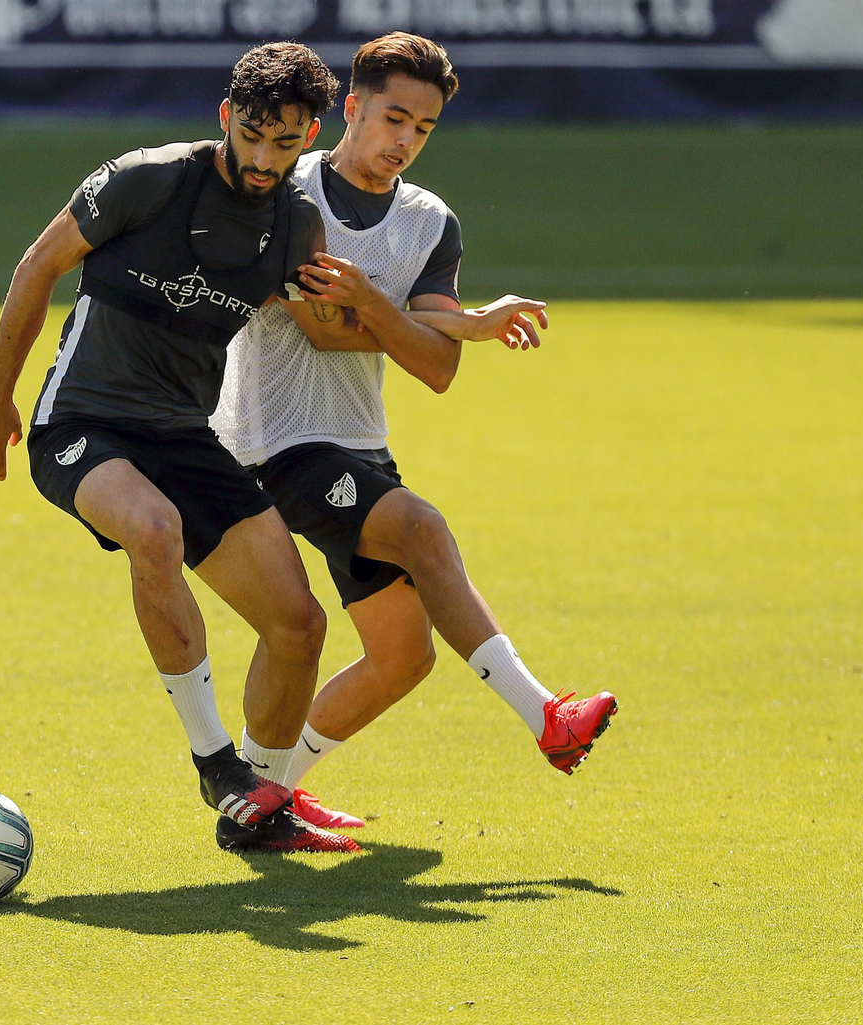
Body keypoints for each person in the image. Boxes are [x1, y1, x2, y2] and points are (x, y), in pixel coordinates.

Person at [0, 43, 372, 854]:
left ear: (310, 134)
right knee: (152, 529)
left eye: (284, 143)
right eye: (251, 134)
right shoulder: (146, 178)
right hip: (82, 422)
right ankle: (215, 763)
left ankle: (256, 806)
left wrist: (427, 319)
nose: (262, 158)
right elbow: (37, 266)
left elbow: (332, 334)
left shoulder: (296, 226)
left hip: (184, 434)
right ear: (226, 116)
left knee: (298, 625)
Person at [210, 33, 619, 829]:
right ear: (352, 109)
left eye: (423, 128)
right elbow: (328, 330)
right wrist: (416, 319)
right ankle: (547, 718)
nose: (404, 141)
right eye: (393, 117)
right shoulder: (290, 196)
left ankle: (262, 799)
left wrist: (463, 323)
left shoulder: (431, 221)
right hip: (277, 442)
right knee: (425, 530)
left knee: (404, 656)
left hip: (356, 445)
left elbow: (436, 366)